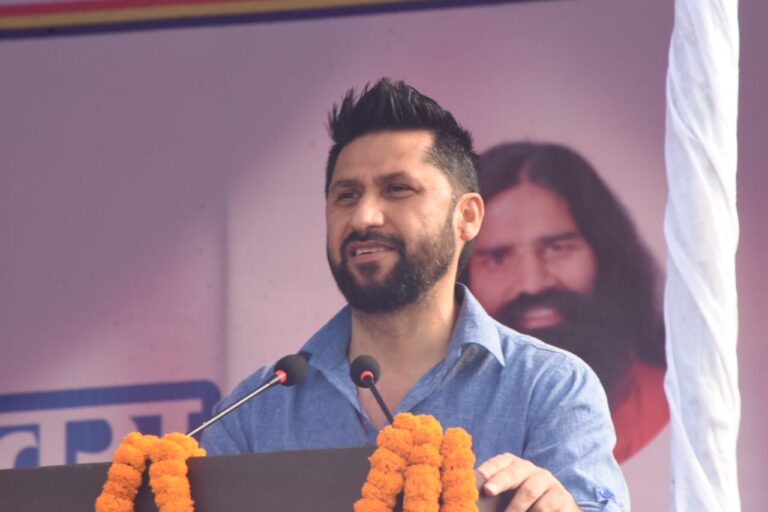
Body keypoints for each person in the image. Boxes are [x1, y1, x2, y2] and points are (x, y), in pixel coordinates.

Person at [201, 79, 628, 510]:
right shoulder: (256, 409)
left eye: (397, 189)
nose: (364, 217)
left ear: (467, 216)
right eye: (347, 195)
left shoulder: (548, 386)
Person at [465, 142, 668, 463]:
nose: (531, 284)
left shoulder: (670, 401)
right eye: (498, 258)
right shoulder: (431, 419)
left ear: (605, 253)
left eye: (557, 248)